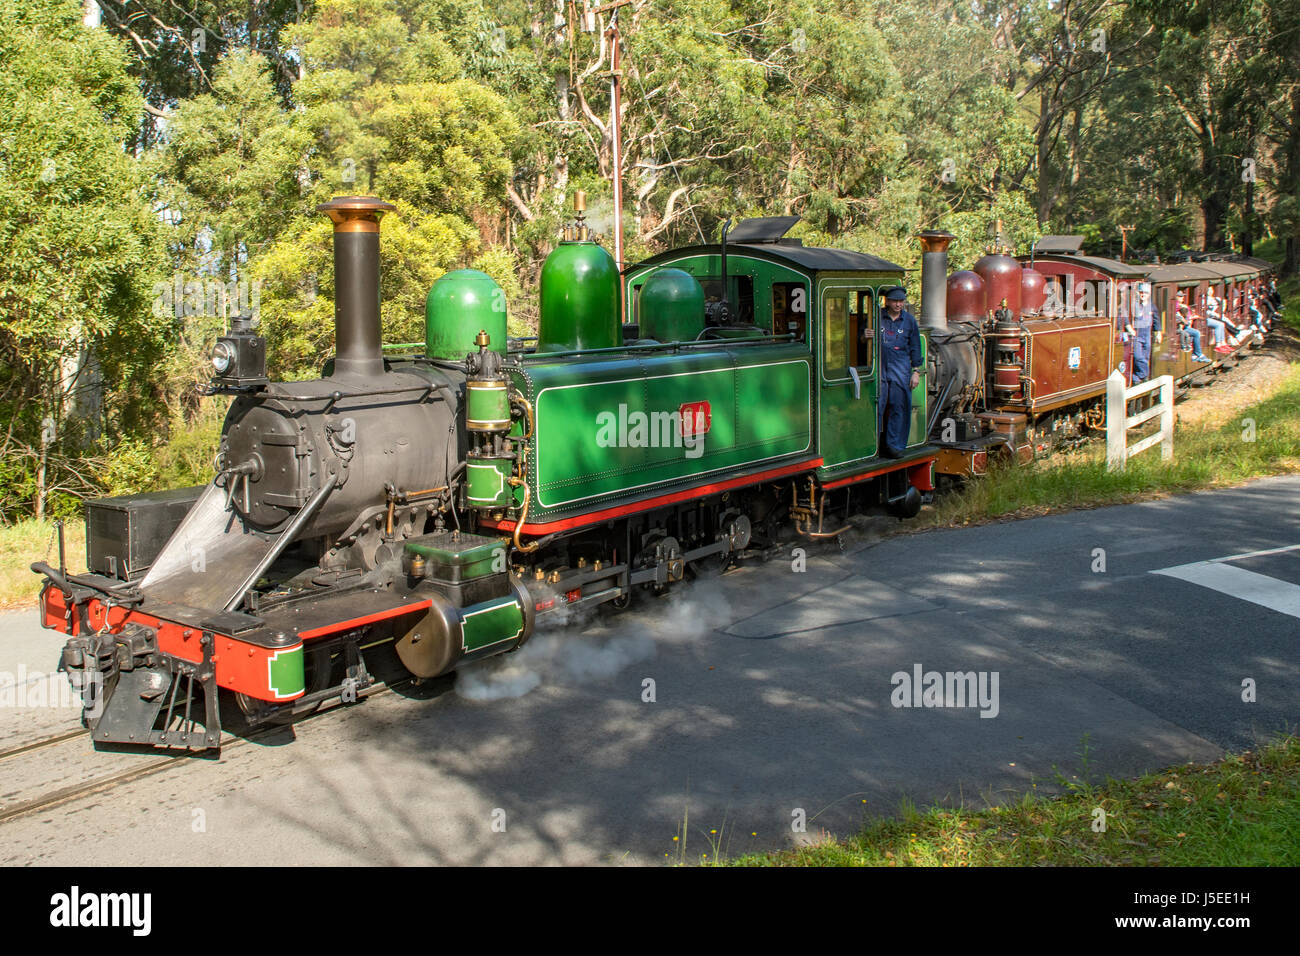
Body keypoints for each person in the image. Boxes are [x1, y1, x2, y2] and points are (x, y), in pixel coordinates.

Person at [878, 286, 921, 458]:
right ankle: (876, 443)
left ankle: (894, 445)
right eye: (895, 301)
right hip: (879, 365)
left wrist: (916, 371)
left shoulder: (909, 321)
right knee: (878, 405)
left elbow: (915, 347)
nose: (898, 304)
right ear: (887, 301)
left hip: (900, 367)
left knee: (899, 405)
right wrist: (864, 335)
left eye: (901, 301)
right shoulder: (876, 317)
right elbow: (860, 337)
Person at [1121, 284, 1161, 383]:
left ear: (1149, 294)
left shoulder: (1152, 306)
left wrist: (1158, 333)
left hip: (1147, 335)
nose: (1143, 295)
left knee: (1145, 357)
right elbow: (1124, 314)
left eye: (1145, 293)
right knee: (1137, 356)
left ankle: (1136, 378)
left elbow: (1156, 320)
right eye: (1141, 292)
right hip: (1137, 335)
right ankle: (1144, 376)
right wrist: (1128, 327)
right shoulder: (1134, 305)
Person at [1173, 292, 1211, 362]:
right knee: (1196, 333)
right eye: (1181, 296)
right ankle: (1198, 354)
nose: (1182, 298)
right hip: (1180, 328)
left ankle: (1194, 355)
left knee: (1194, 333)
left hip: (1184, 326)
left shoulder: (1180, 305)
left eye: (1182, 296)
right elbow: (1180, 317)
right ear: (1176, 297)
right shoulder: (1176, 305)